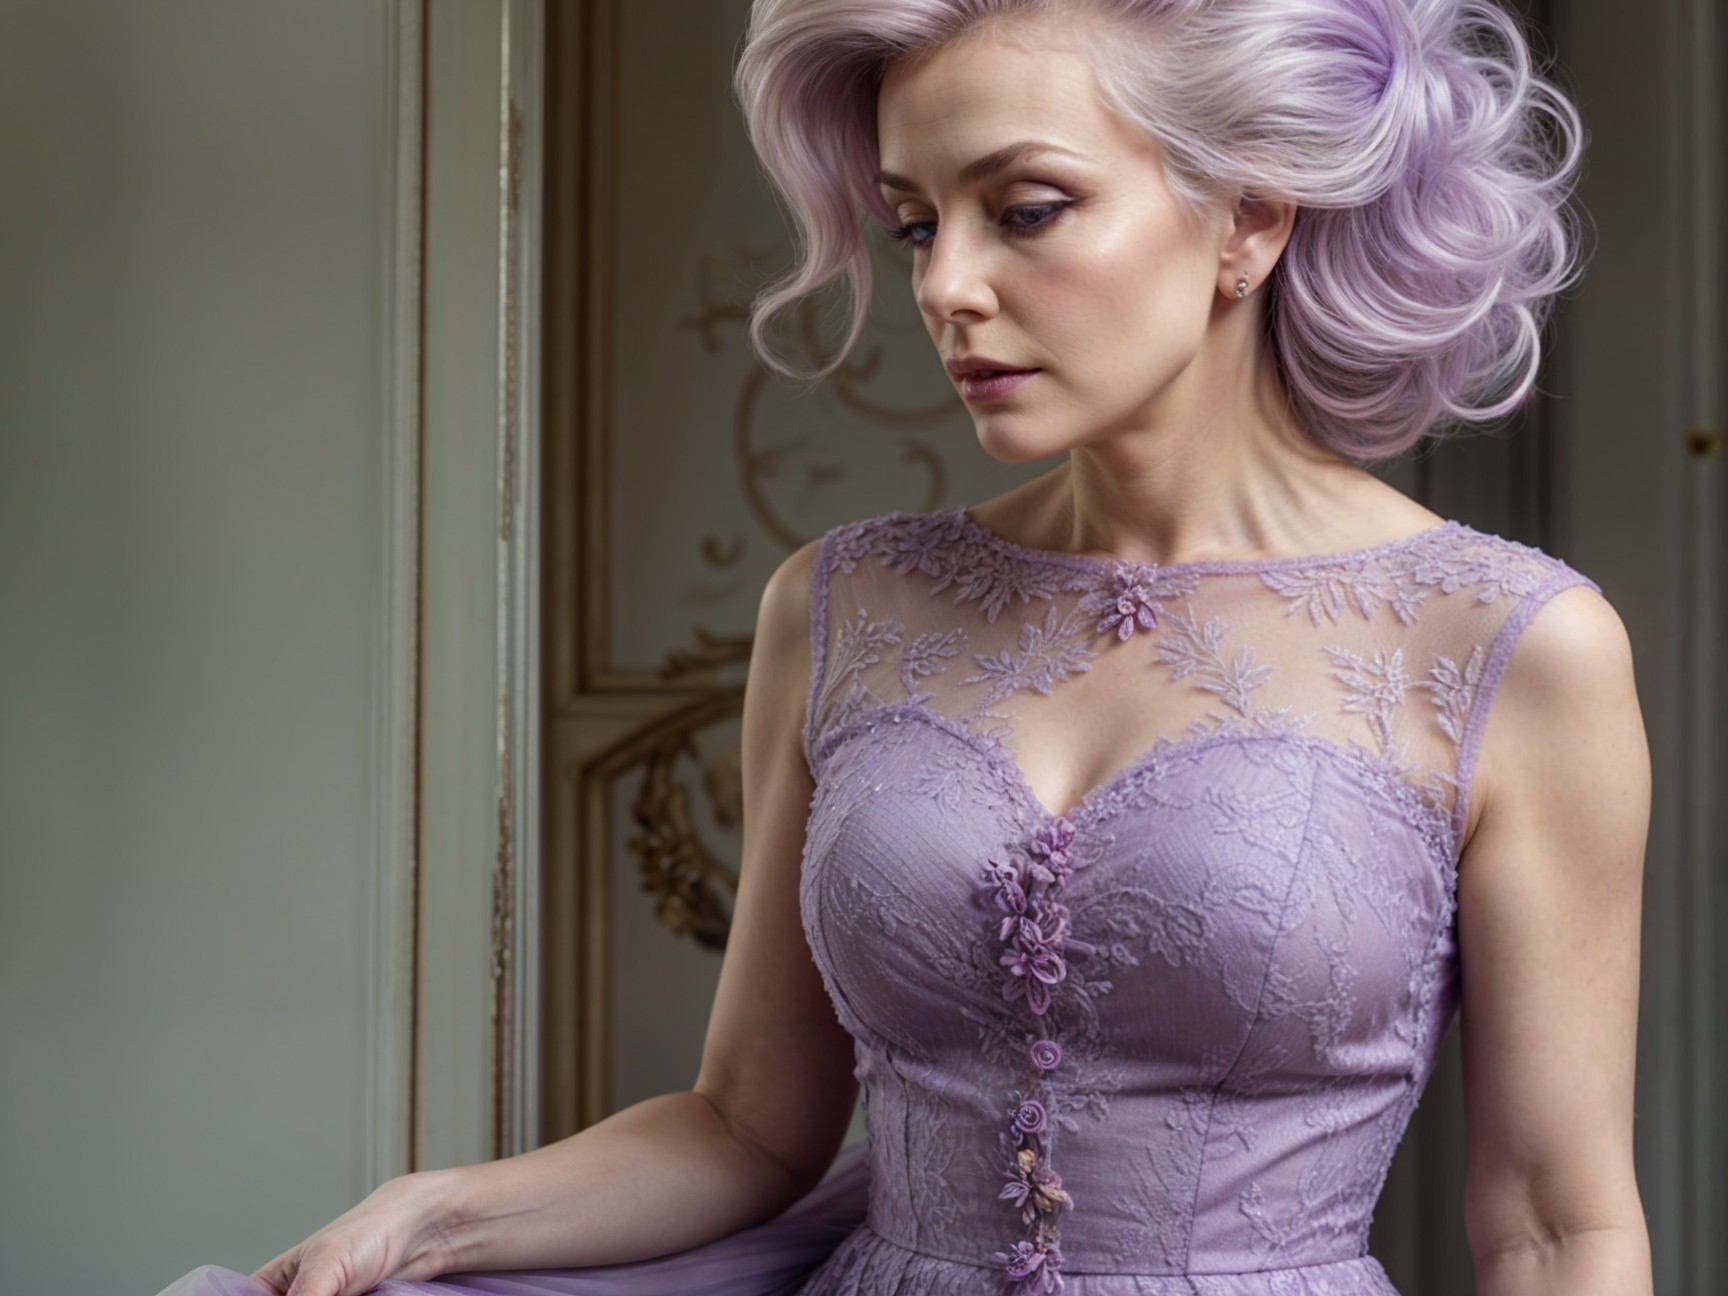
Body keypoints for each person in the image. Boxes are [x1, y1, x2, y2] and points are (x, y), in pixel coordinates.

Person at [155, 0, 1654, 1293]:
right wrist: (440, 1208)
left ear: (1249, 217)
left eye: (1029, 207)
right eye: (918, 223)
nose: (944, 287)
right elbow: (747, 1123)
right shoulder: (843, 607)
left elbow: (1551, 1226)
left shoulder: (1510, 646)